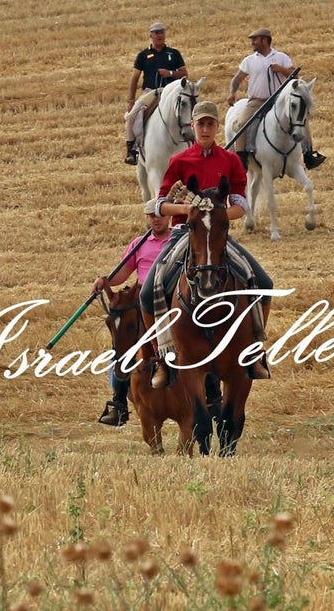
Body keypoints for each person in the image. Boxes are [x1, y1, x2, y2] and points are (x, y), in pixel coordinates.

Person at [140, 100, 273, 388]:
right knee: (148, 291)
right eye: (200, 123)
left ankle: (255, 350)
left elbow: (240, 206)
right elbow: (160, 204)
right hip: (183, 234)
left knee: (263, 282)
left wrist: (218, 214)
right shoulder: (179, 161)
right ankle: (161, 358)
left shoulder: (230, 161)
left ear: (216, 127)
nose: (205, 128)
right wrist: (188, 212)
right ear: (193, 127)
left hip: (218, 236)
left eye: (210, 123)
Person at [90, 199, 174, 426]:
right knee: (121, 345)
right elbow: (123, 274)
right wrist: (104, 280)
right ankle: (119, 402)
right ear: (147, 218)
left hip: (169, 300)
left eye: (160, 215)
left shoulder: (177, 240)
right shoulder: (139, 244)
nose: (156, 220)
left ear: (169, 216)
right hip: (141, 303)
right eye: (151, 216)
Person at [227, 28, 325, 171]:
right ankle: (242, 158)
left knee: (301, 120)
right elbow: (237, 79)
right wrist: (232, 93)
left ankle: (308, 153)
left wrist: (281, 69)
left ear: (265, 40)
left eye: (255, 39)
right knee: (242, 123)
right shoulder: (249, 61)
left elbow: (294, 75)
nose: (252, 42)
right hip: (257, 101)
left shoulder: (281, 57)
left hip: (279, 101)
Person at [123, 22, 188, 165]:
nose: (159, 35)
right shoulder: (143, 55)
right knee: (132, 116)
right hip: (150, 92)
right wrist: (131, 101)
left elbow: (184, 73)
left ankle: (194, 143)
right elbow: (135, 78)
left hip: (170, 92)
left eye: (161, 32)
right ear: (150, 36)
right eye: (156, 33)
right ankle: (131, 150)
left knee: (189, 110)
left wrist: (170, 73)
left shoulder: (174, 53)